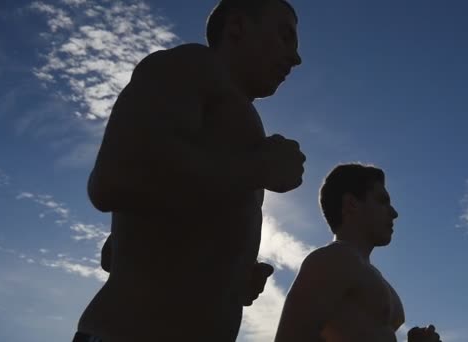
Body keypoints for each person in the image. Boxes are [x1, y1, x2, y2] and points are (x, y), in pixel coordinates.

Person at [74, 0, 304, 341]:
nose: (295, 57)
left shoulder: (234, 117)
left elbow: (152, 231)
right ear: (237, 27)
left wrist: (232, 273)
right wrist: (258, 167)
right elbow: (114, 177)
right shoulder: (190, 66)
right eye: (285, 37)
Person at [274, 163, 441, 342]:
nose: (394, 213)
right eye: (382, 201)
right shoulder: (333, 259)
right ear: (351, 204)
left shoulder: (366, 271)